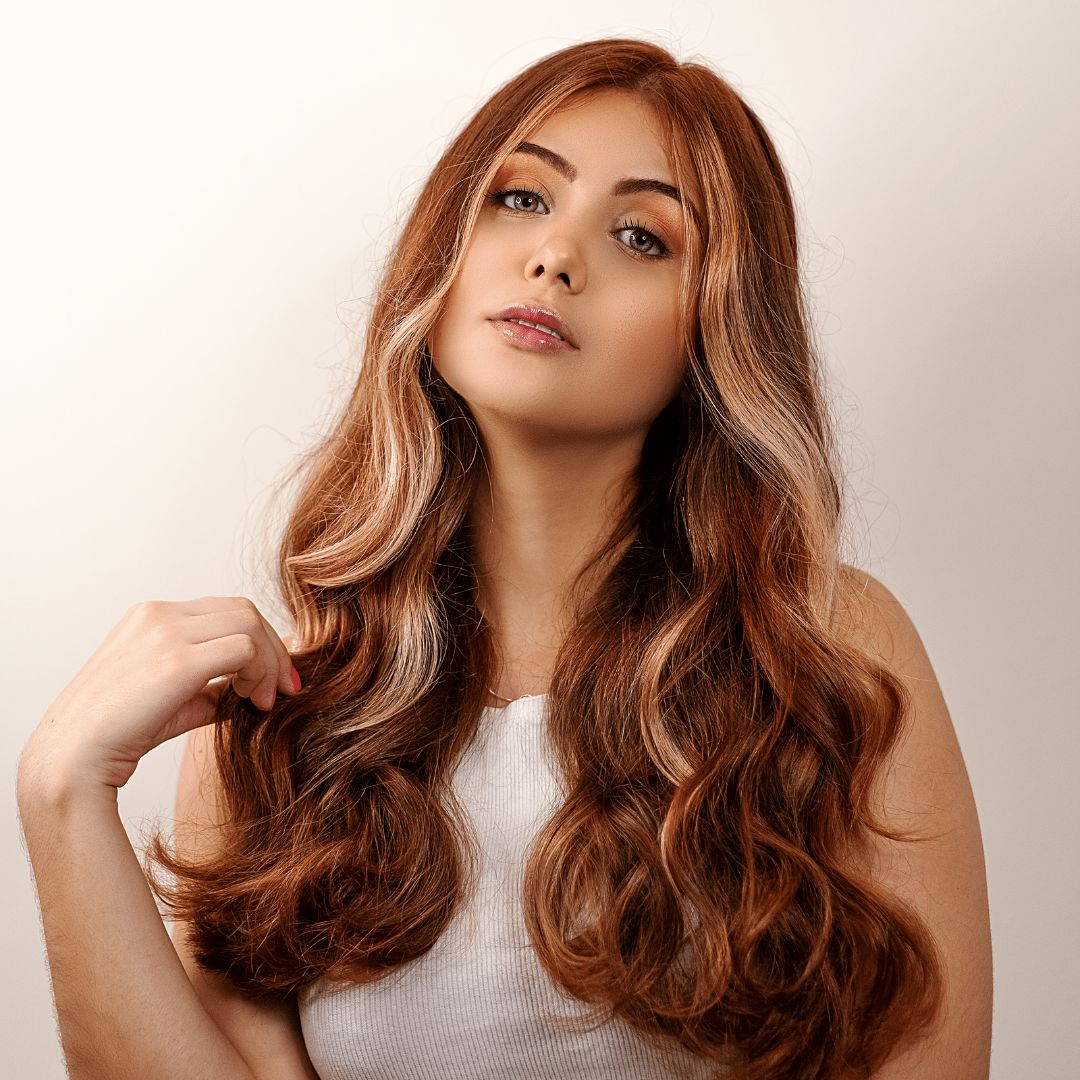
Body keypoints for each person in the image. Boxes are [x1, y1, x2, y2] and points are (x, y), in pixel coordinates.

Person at [16, 36, 992, 1080]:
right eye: (521, 199)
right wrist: (60, 793)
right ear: (445, 250)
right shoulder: (284, 720)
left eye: (639, 235)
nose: (556, 257)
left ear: (715, 329)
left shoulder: (827, 659)